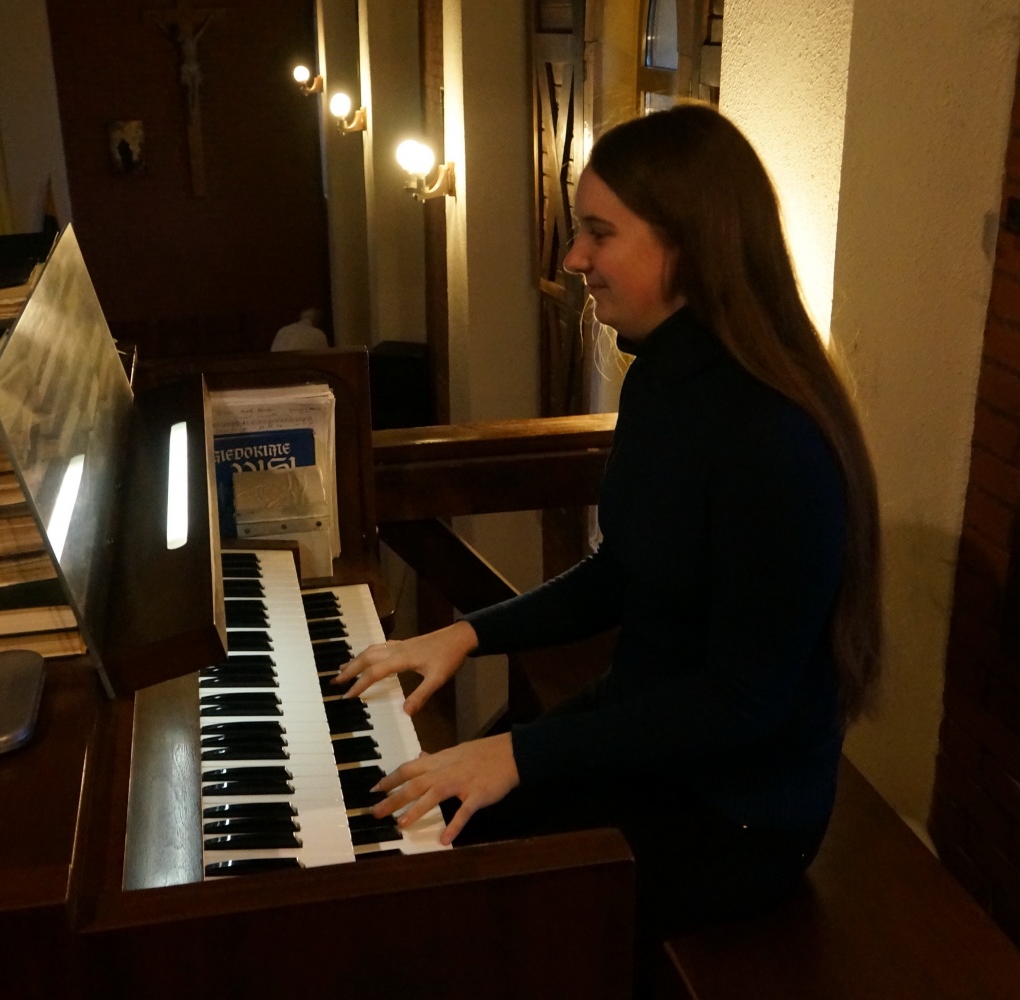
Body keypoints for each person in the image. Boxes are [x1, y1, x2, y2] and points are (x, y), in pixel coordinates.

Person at [331, 102, 882, 940]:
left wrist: (520, 753)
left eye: (599, 233)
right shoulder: (663, 376)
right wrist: (468, 634)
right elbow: (625, 571)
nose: (573, 258)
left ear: (690, 243)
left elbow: (740, 705)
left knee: (447, 898)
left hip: (734, 810)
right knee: (414, 824)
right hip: (650, 734)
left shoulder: (774, 439)